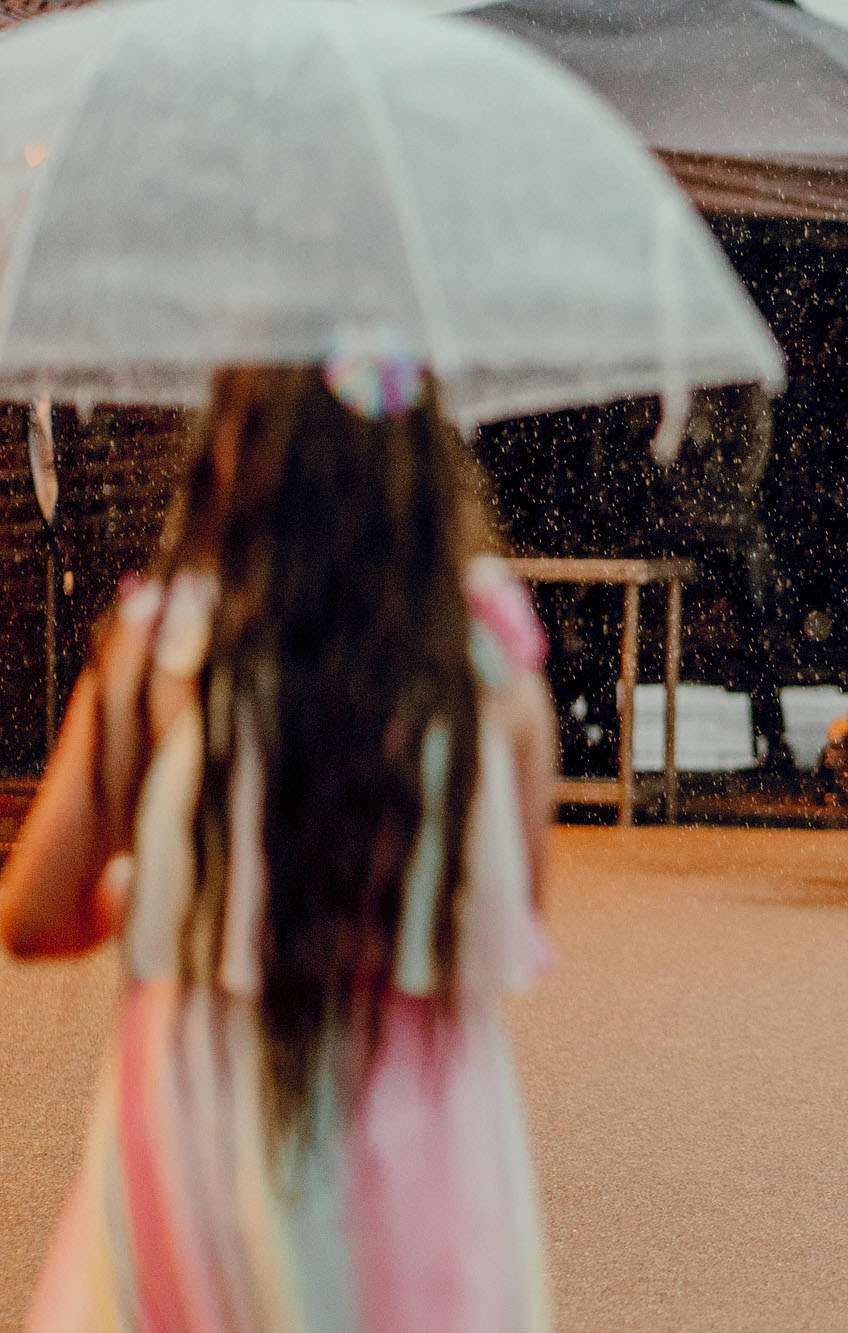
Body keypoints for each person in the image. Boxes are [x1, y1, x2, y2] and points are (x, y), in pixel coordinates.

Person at [0, 355, 556, 1330]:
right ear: (420, 462)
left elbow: (33, 914)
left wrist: (152, 890)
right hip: (420, 1138)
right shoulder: (486, 663)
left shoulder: (161, 647)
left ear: (234, 451)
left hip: (201, 1118)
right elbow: (515, 913)